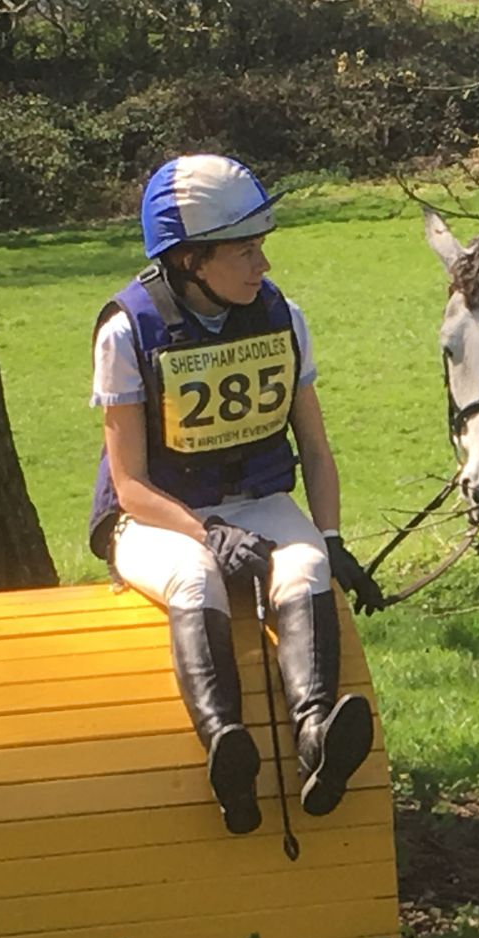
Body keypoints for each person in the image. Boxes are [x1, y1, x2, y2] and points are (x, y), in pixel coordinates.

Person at [86, 154, 387, 834]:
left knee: (303, 564)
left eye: (262, 247)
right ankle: (227, 745)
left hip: (257, 501)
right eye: (245, 250)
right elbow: (129, 485)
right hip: (156, 517)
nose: (264, 265)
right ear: (190, 259)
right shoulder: (127, 330)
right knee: (195, 579)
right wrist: (204, 532)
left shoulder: (283, 316)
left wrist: (332, 541)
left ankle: (316, 737)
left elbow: (313, 446)